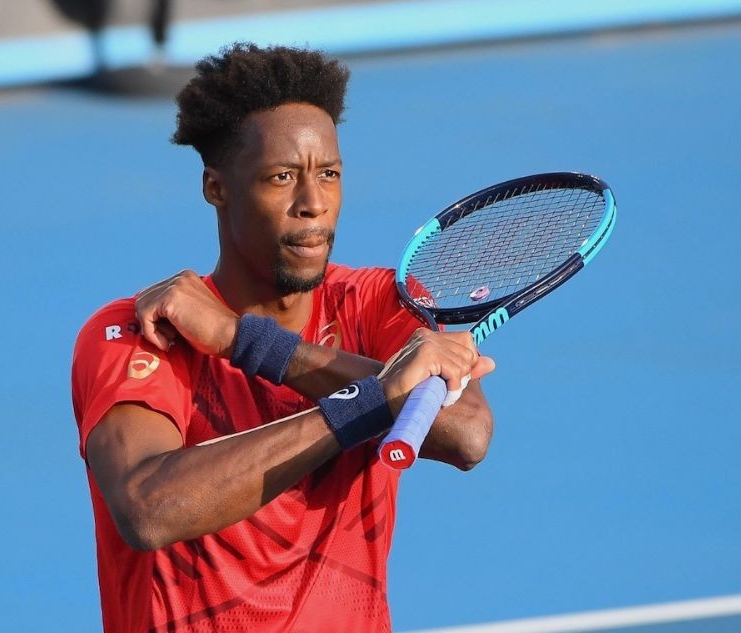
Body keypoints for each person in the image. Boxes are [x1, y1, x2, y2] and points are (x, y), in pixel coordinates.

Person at [71, 43, 496, 633]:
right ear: (216, 188)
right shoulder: (137, 332)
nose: (313, 204)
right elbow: (149, 510)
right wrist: (372, 398)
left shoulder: (382, 303)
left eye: (329, 174)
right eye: (282, 177)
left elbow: (465, 433)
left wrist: (243, 341)